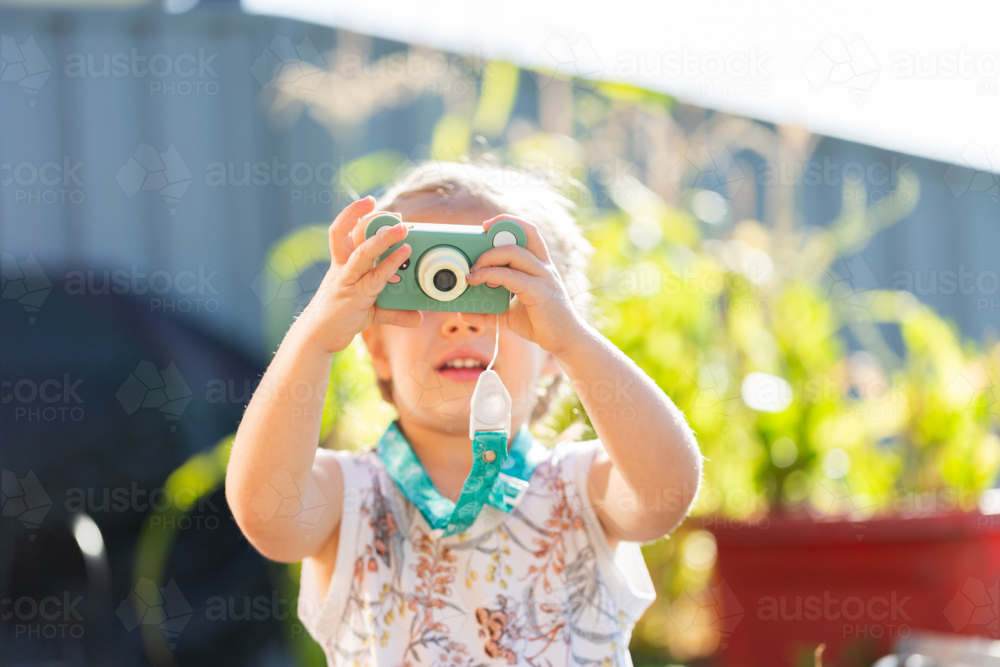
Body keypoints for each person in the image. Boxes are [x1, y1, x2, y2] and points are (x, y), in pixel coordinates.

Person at [226, 160, 703, 667]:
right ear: (376, 347)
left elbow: (665, 491)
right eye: (429, 286)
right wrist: (317, 336)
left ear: (549, 353)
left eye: (497, 288)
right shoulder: (348, 498)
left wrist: (574, 340)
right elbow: (266, 515)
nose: (460, 319)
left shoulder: (582, 490)